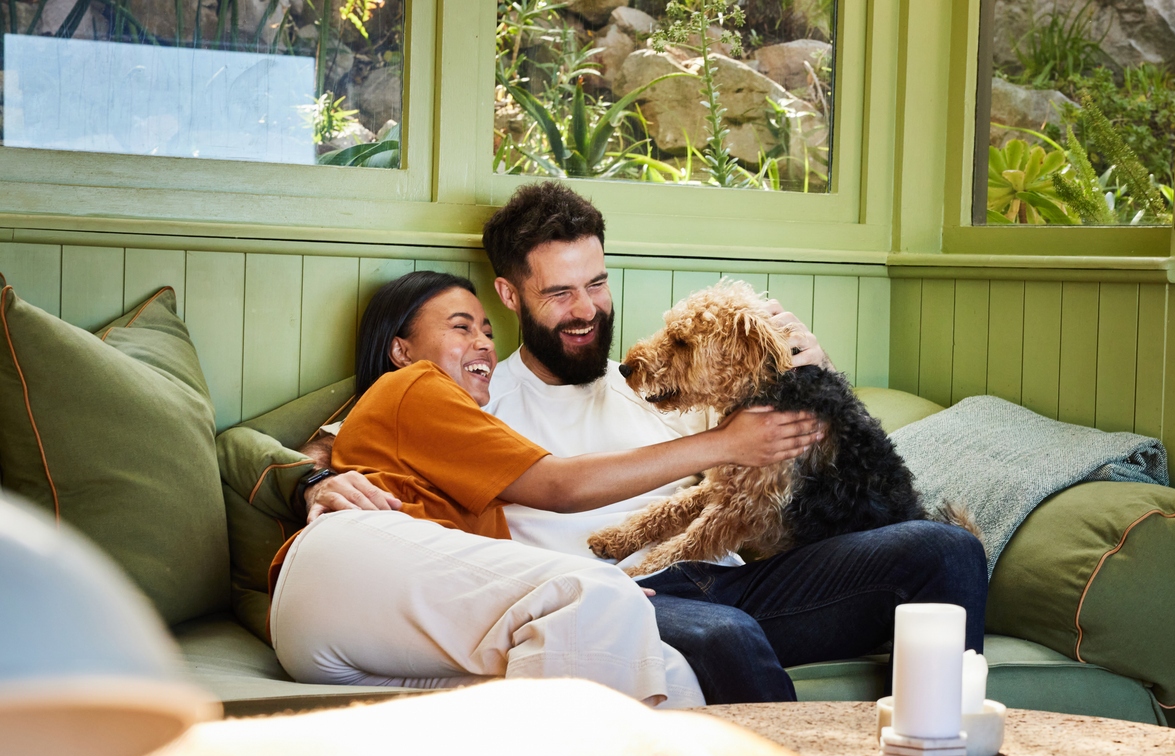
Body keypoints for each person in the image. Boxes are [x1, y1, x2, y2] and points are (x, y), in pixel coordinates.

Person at [305, 182, 989, 704]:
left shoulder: (665, 382)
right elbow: (334, 444)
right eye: (560, 293)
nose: (585, 310)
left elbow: (808, 453)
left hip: (729, 580)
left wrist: (811, 371)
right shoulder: (475, 391)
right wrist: (314, 481)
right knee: (725, 636)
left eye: (597, 283)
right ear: (511, 296)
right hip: (615, 601)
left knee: (947, 550)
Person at [269, 269, 823, 708]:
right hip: (351, 577)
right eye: (461, 328)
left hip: (367, 634)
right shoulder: (415, 386)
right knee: (600, 598)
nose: (484, 344)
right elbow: (557, 485)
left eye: (487, 332)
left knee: (670, 675)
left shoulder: (449, 426)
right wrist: (727, 444)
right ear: (401, 351)